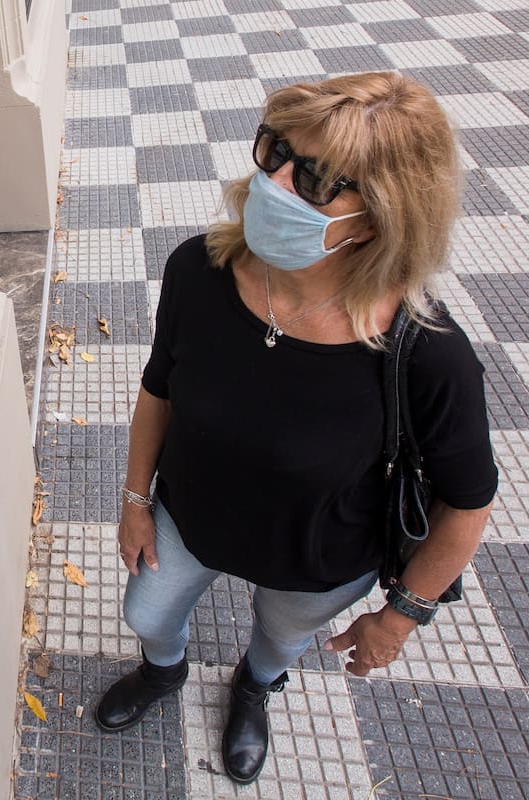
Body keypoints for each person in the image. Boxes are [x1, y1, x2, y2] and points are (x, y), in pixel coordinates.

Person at [94, 72, 498, 786]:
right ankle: (164, 674)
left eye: (314, 178)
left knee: (281, 639)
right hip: (189, 516)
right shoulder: (200, 269)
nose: (274, 182)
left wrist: (399, 619)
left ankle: (255, 686)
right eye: (276, 150)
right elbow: (159, 388)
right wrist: (133, 502)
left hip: (320, 557)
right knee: (147, 612)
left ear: (379, 215)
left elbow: (467, 502)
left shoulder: (428, 353)